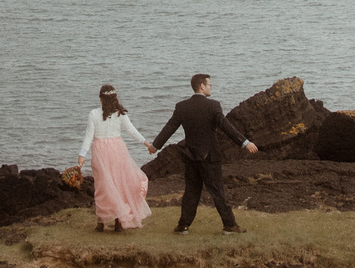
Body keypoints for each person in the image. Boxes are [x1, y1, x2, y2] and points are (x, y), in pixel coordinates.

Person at [149, 73, 257, 233]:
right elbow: (227, 127)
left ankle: (183, 226)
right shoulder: (213, 106)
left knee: (191, 192)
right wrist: (245, 142)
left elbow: (170, 127)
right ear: (202, 86)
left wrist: (155, 145)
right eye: (209, 85)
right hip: (210, 158)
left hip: (191, 156)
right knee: (218, 192)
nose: (211, 87)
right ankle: (230, 225)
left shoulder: (182, 107)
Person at [77, 84, 154, 232]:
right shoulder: (120, 113)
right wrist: (146, 143)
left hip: (100, 151)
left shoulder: (93, 114)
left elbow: (88, 136)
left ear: (100, 99)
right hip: (118, 150)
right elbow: (132, 130)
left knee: (102, 187)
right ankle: (118, 221)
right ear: (114, 98)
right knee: (118, 185)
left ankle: (101, 222)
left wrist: (82, 154)